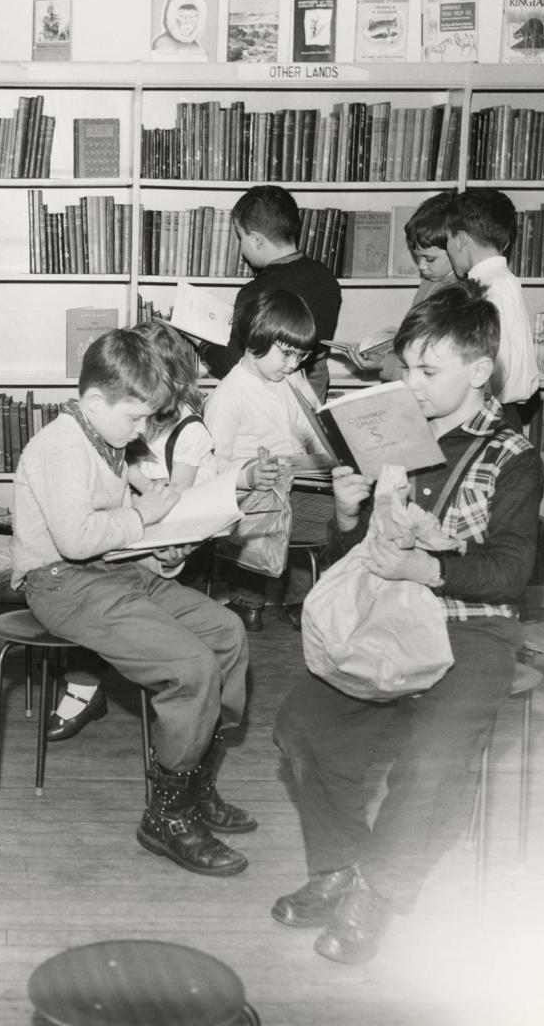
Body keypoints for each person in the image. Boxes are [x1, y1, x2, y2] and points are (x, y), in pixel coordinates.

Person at [271, 284, 544, 964]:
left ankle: (377, 889)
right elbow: (353, 564)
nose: (410, 385)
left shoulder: (514, 457)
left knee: (430, 763)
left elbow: (510, 574)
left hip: (471, 630)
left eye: (428, 371)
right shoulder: (391, 437)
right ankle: (338, 864)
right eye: (407, 368)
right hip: (388, 620)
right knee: (302, 728)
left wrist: (431, 570)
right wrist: (345, 516)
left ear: (479, 370)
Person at [12, 327, 254, 876]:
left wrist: (156, 554)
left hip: (109, 572)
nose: (144, 429)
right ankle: (166, 817)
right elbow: (75, 539)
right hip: (59, 582)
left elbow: (115, 533)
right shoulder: (60, 445)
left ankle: (195, 784)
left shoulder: (106, 437)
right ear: (94, 401)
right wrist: (145, 517)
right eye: (137, 417)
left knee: (226, 635)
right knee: (189, 667)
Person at [44, 319, 223, 743]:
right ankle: (83, 685)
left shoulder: (188, 431)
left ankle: (184, 715)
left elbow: (180, 507)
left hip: (176, 546)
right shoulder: (110, 418)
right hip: (122, 541)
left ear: (172, 382)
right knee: (86, 580)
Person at [204, 289, 332, 632]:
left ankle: (310, 599)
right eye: (287, 353)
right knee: (324, 517)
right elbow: (213, 467)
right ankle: (252, 599)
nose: (293, 365)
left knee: (351, 503)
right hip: (255, 498)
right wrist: (248, 472)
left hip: (297, 486)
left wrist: (332, 444)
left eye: (301, 357)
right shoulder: (228, 396)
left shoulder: (291, 378)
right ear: (256, 336)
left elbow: (312, 430)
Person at [196, 185, 342, 402]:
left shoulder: (255, 293)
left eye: (240, 237)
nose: (241, 247)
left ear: (256, 240)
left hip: (268, 403)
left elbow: (233, 365)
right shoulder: (326, 278)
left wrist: (200, 343)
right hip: (312, 394)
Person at [444, 188, 539, 414]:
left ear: (460, 240)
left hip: (494, 412)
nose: (447, 249)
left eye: (447, 239)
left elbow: (497, 366)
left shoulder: (490, 288)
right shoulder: (503, 281)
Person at [346, 190, 458, 381]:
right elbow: (416, 347)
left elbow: (434, 371)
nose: (421, 267)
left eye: (429, 259)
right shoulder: (433, 280)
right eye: (417, 257)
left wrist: (386, 364)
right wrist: (386, 358)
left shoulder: (457, 293)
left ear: (457, 247)